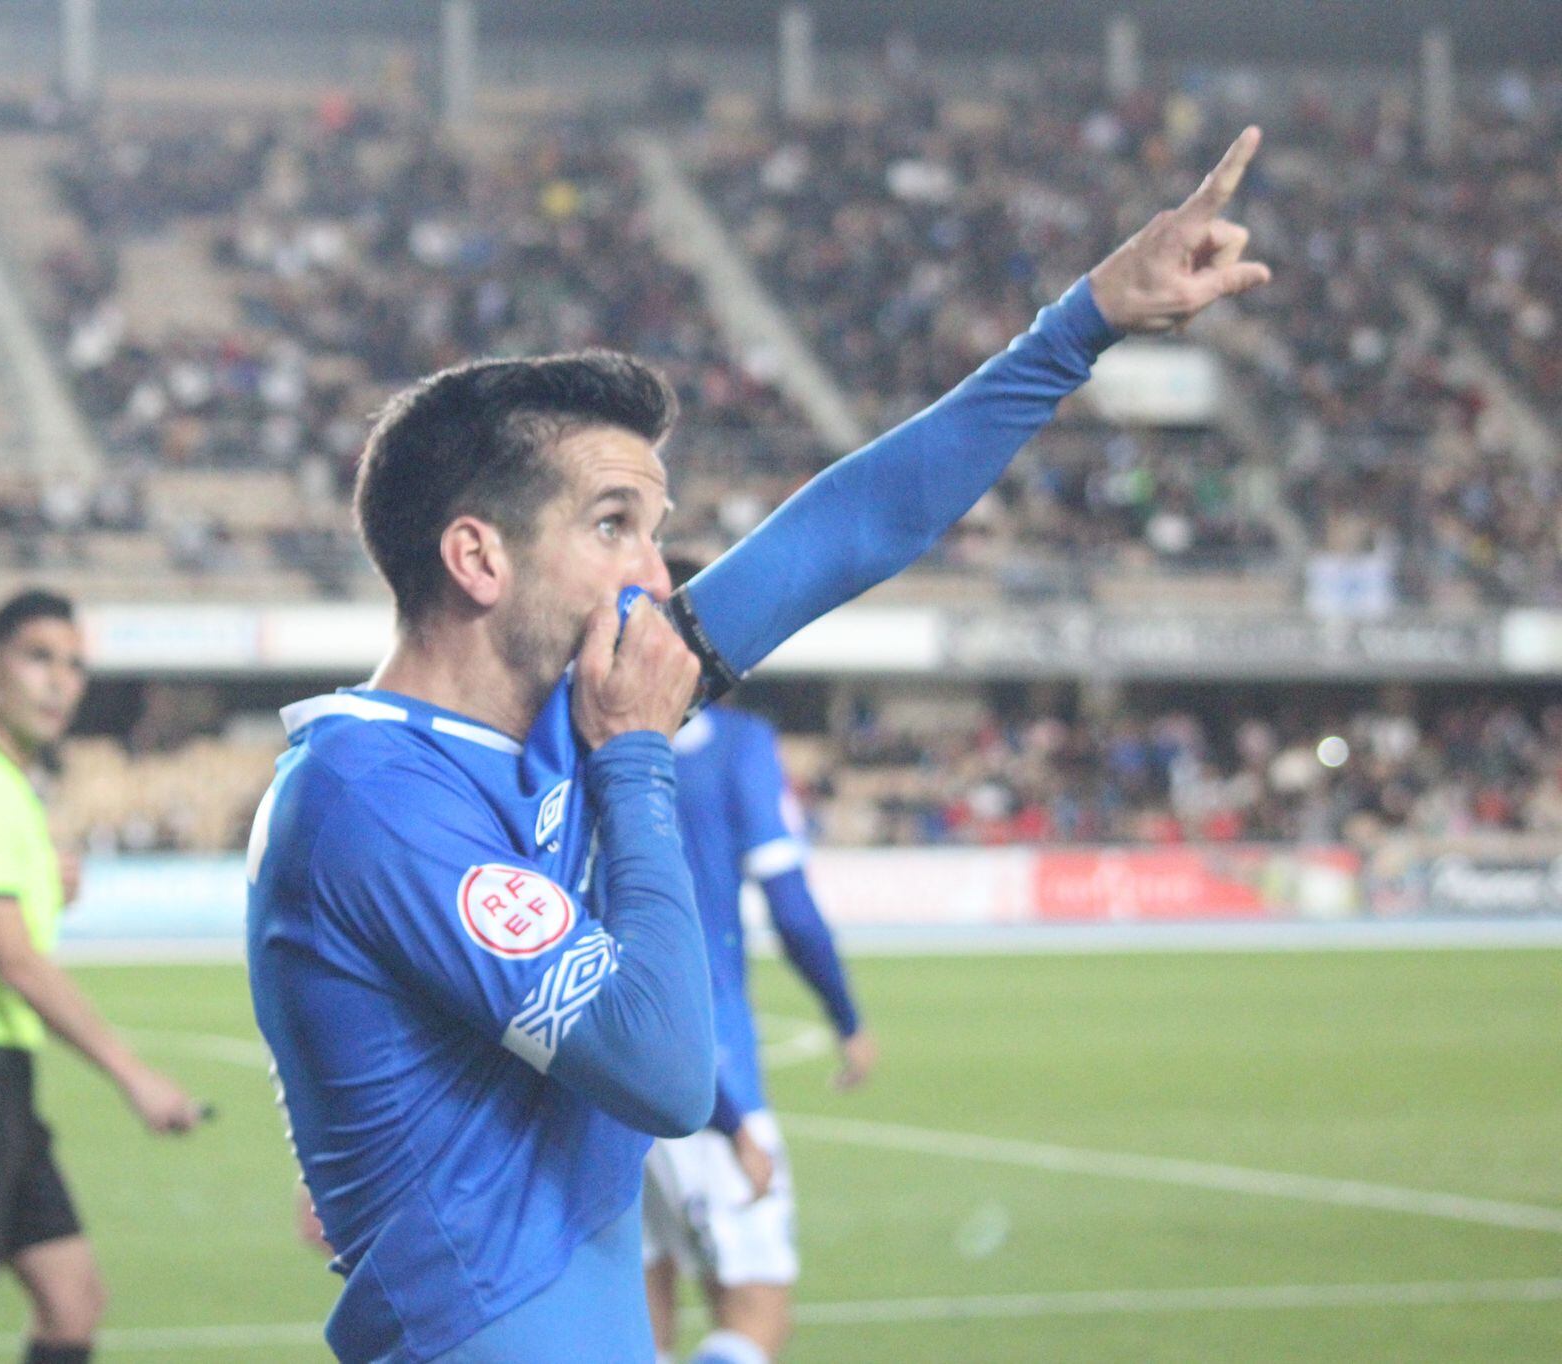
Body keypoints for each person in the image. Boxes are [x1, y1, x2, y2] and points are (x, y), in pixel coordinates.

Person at [248, 128, 1270, 1363]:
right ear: (477, 557)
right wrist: (634, 757)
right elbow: (662, 1070)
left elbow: (844, 531)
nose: (655, 571)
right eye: (613, 524)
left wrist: (1080, 324)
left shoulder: (558, 712)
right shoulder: (365, 791)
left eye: (655, 527)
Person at [0, 588, 205, 1364]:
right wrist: (133, 1075)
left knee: (71, 1300)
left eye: (75, 665)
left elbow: (0, 914)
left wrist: (47, 886)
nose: (61, 682)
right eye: (39, 658)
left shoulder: (1, 781)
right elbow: (15, 960)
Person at [642, 556, 875, 1364]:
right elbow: (792, 911)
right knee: (754, 1313)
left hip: (590, 1080)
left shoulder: (561, 742)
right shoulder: (737, 747)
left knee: (634, 1324)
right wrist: (847, 1018)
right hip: (704, 1061)